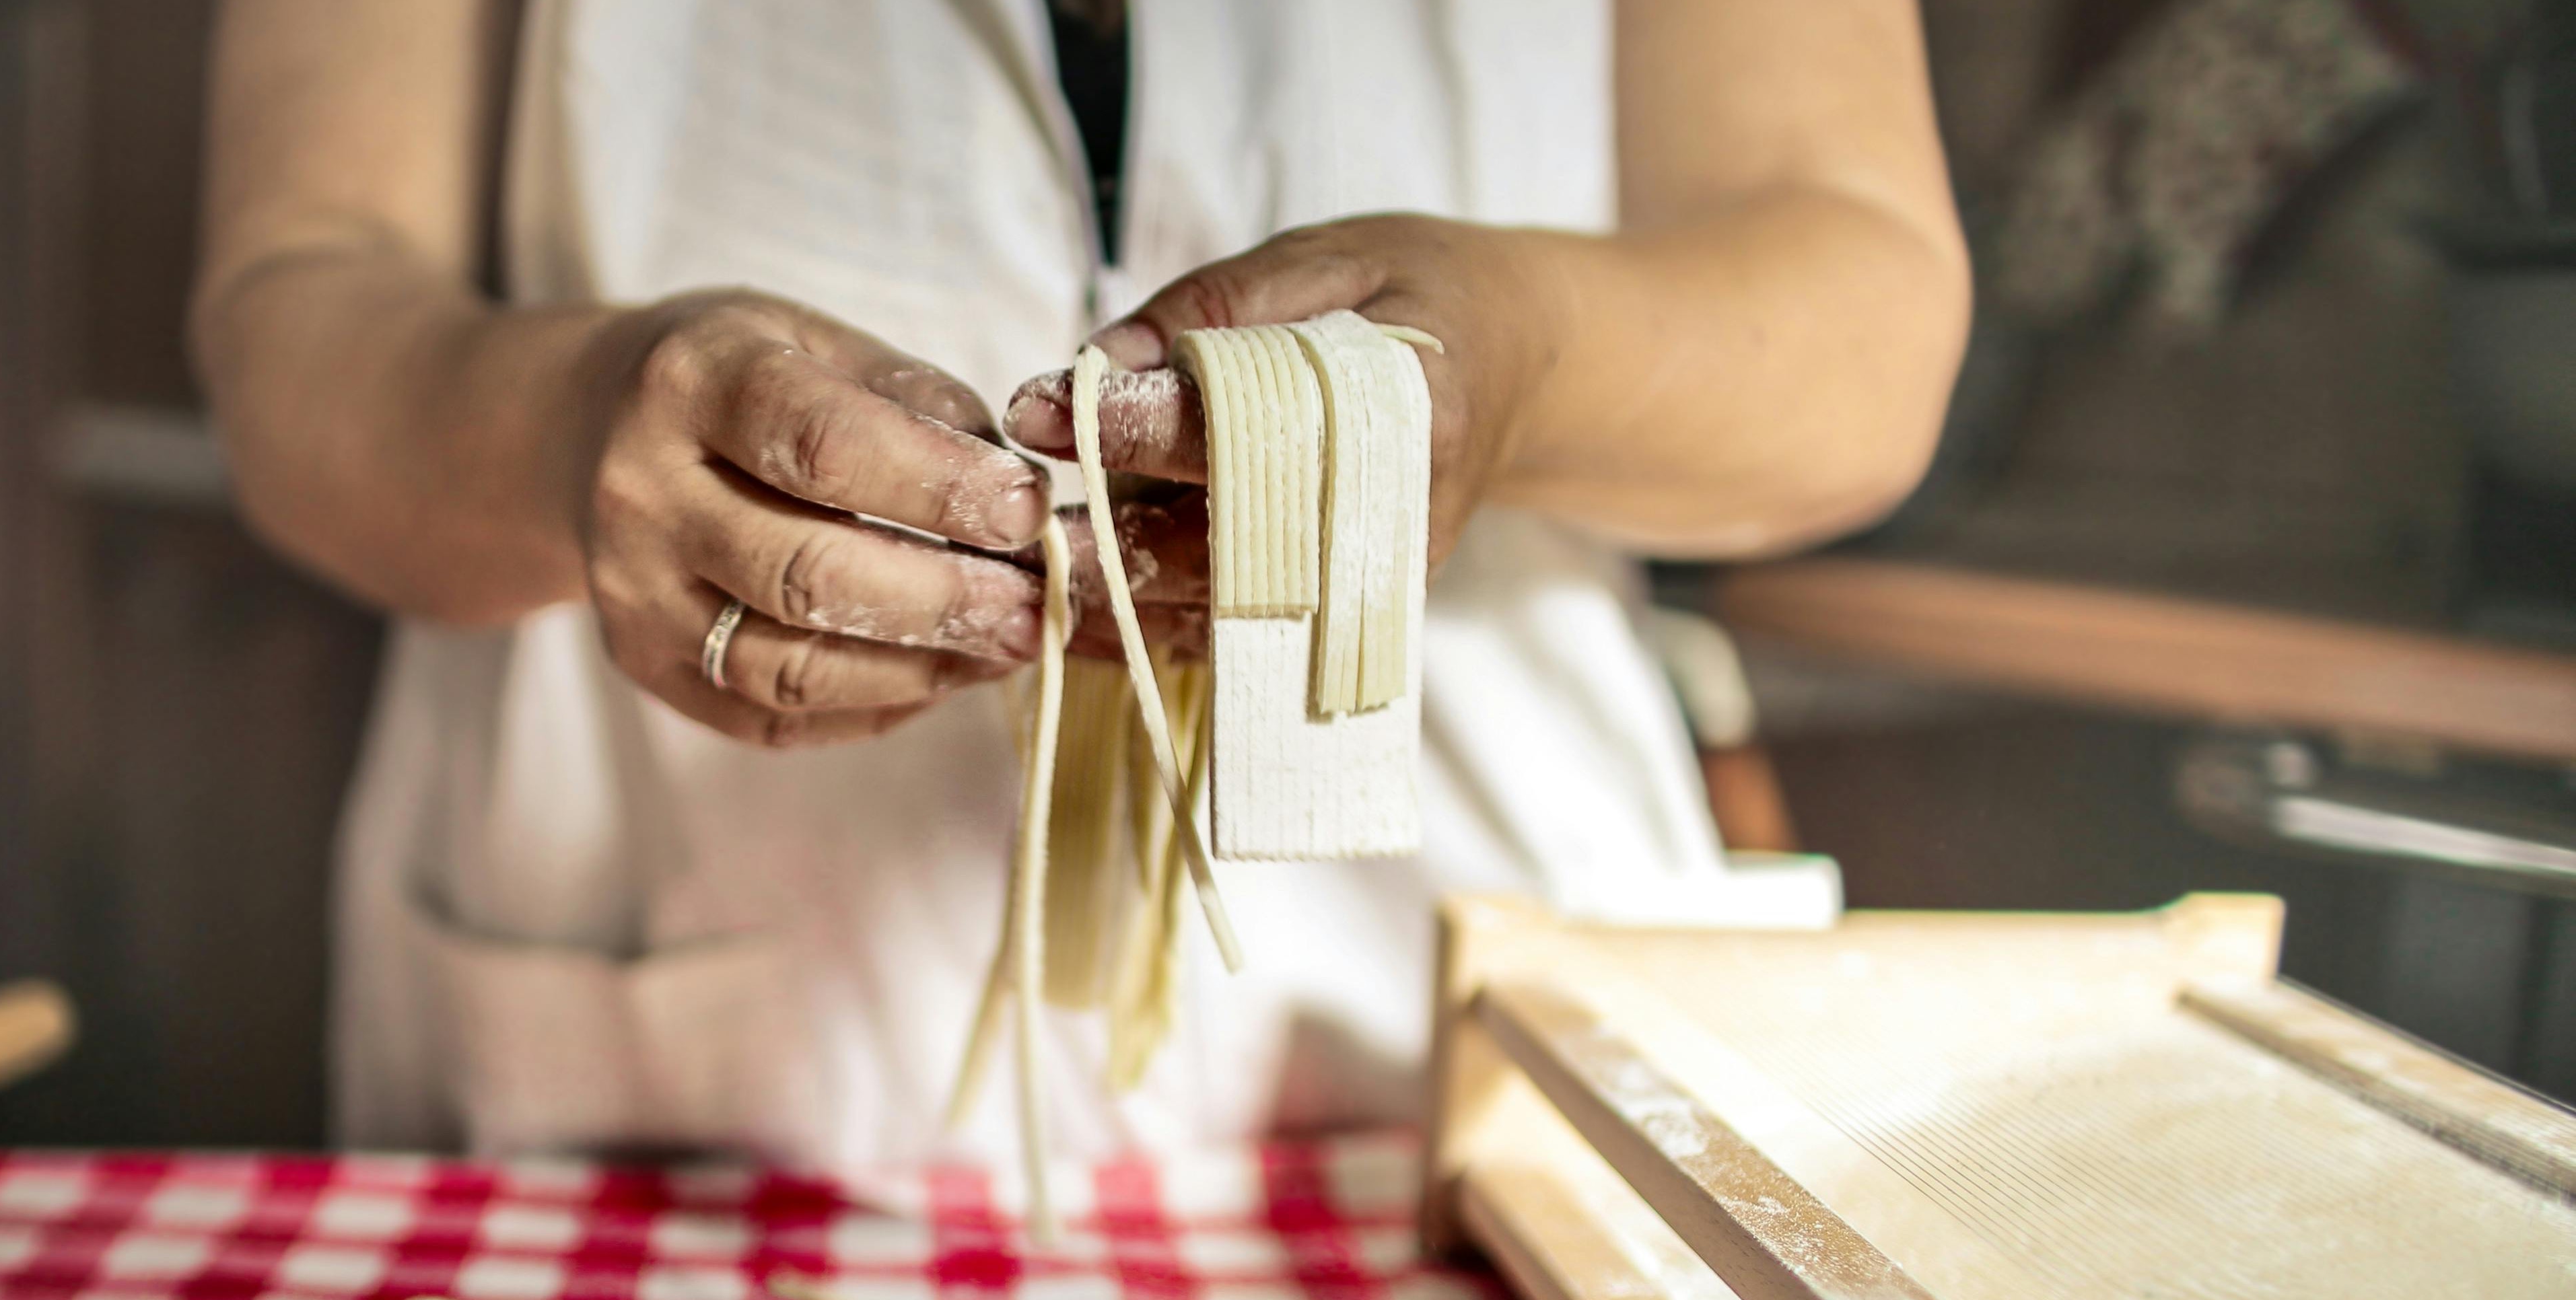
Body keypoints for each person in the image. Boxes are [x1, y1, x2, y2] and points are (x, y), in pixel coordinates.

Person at [198, 1, 1968, 1170]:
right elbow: (300, 304)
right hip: (685, 1044)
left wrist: (1530, 352)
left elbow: (1865, 327)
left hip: (1465, 1051)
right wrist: (568, 423)